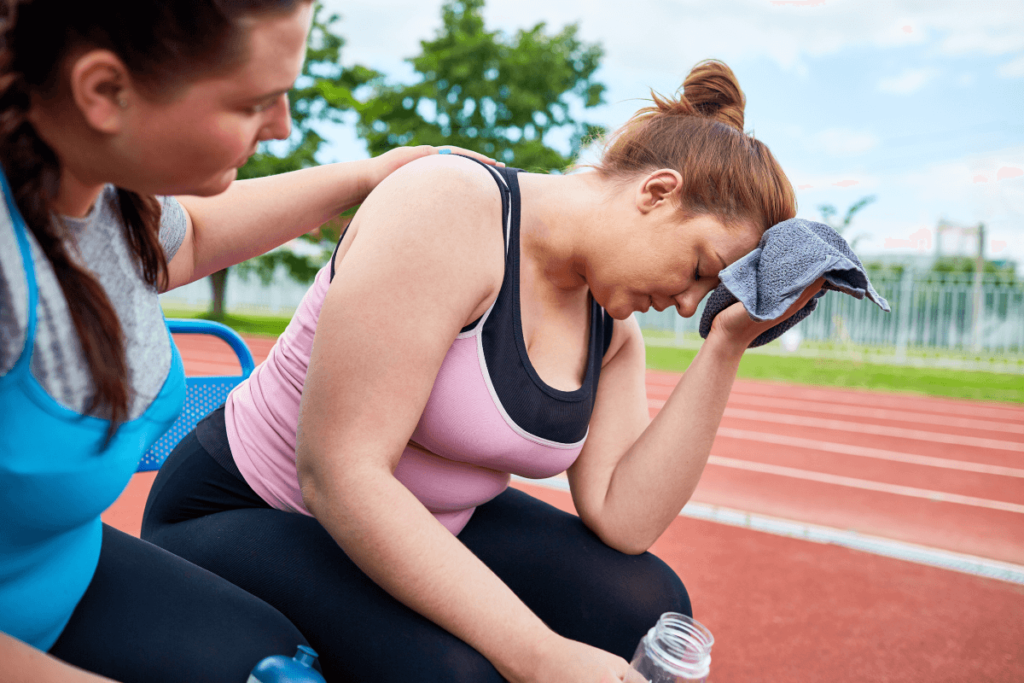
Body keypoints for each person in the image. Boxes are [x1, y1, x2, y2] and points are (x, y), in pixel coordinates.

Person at [141, 58, 823, 682]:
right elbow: (340, 474)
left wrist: (726, 344)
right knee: (460, 672)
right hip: (253, 505)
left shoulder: (611, 324)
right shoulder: (450, 210)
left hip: (432, 518)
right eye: (698, 268)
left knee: (647, 603)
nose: (683, 302)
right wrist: (535, 650)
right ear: (658, 192)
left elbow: (624, 519)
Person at [0, 1, 496, 681]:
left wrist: (367, 176)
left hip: (64, 574)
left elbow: (193, 235)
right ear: (104, 91)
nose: (283, 126)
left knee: (284, 662)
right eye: (256, 101)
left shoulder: (108, 199)